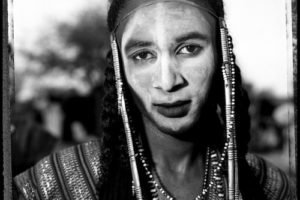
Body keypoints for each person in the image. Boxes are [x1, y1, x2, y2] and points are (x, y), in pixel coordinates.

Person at [13, 0, 295, 199]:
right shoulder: (58, 183)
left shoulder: (270, 186)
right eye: (143, 55)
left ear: (221, 55)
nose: (168, 82)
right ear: (120, 68)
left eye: (188, 49)